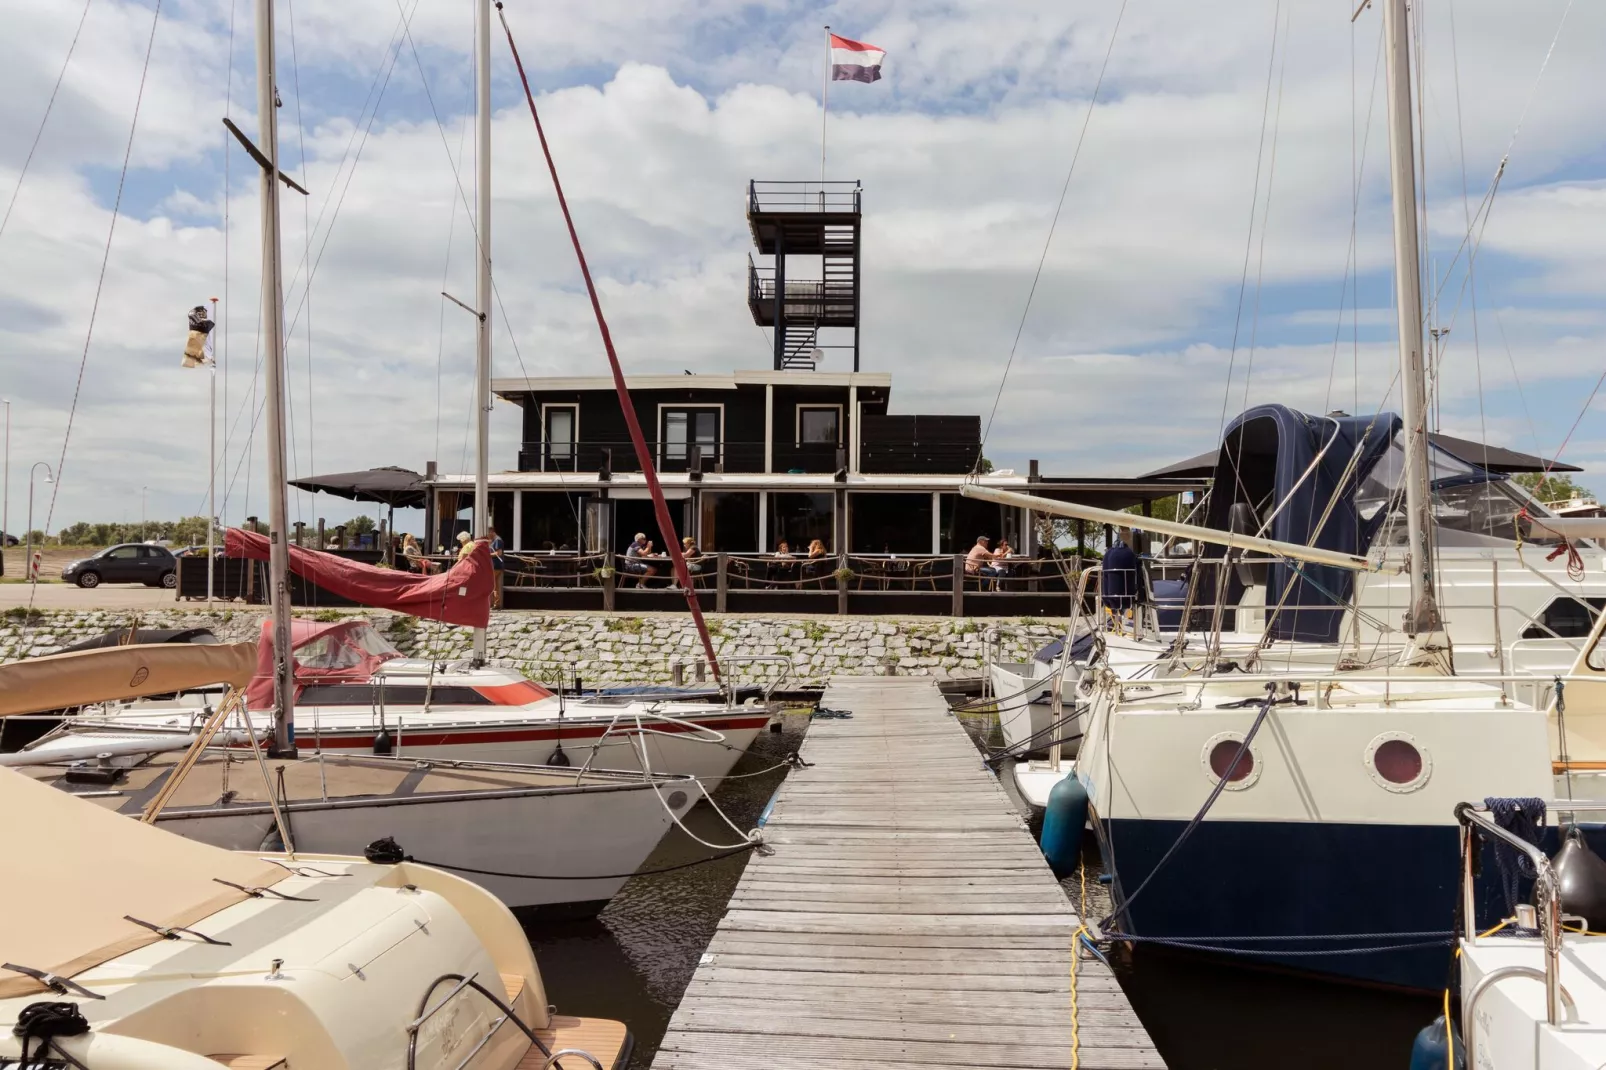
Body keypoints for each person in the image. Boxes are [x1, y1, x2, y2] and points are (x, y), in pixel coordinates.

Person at [1102, 528, 1141, 630]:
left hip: (1112, 597)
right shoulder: (1129, 554)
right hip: (1126, 598)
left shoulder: (1109, 554)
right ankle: (1120, 620)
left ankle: (1118, 622)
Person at [487, 526, 506, 609]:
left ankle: (495, 604)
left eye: (488, 533)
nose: (487, 535)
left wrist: (488, 555)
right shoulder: (494, 540)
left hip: (496, 565)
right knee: (495, 585)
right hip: (495, 565)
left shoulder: (497, 540)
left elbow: (499, 553)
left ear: (491, 532)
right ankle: (496, 603)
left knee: (493, 585)